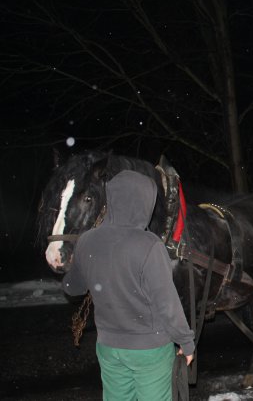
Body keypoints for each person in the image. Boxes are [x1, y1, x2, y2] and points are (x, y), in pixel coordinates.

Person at [63, 170, 195, 401]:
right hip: (149, 350)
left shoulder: (87, 241)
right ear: (145, 201)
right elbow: (167, 303)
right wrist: (185, 341)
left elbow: (72, 288)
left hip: (109, 347)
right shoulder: (149, 245)